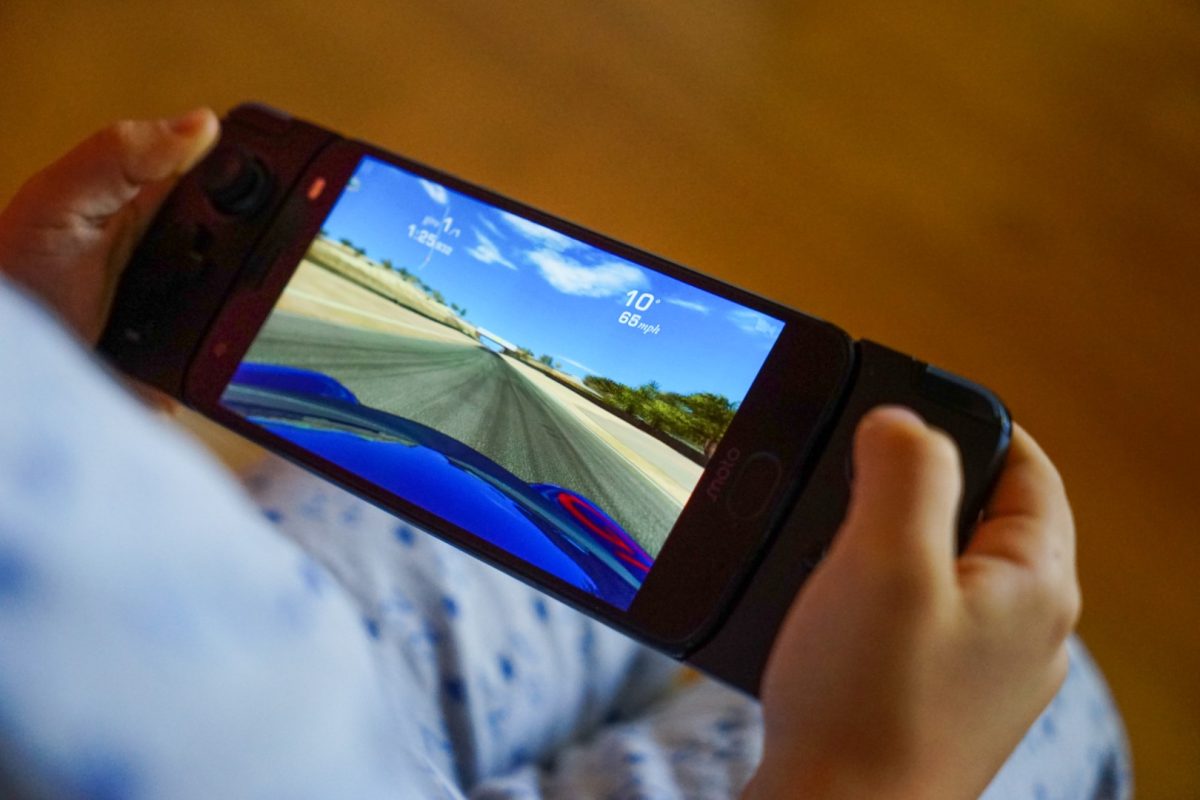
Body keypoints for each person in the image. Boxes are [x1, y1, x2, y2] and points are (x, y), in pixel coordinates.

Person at [0, 109, 1130, 799]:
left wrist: (46, 361)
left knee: (606, 573)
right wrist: (872, 782)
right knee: (1044, 698)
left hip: (204, 624)